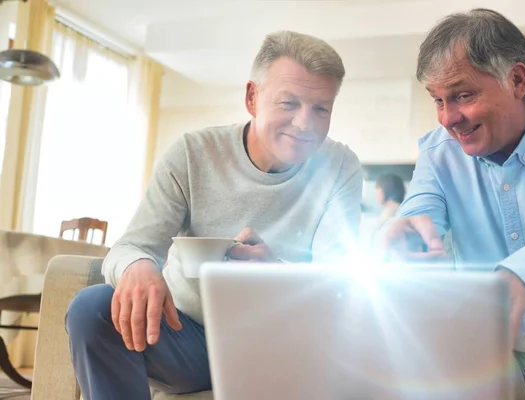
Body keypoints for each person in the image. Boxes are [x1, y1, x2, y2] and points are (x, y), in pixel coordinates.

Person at [65, 30, 363, 399]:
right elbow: (131, 245)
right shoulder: (194, 153)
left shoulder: (340, 167)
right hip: (187, 339)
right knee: (91, 308)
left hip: (280, 345)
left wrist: (278, 274)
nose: (305, 124)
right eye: (289, 103)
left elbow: (339, 283)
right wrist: (138, 266)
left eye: (321, 108)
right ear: (252, 97)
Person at [383, 8, 525, 400]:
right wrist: (408, 233)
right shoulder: (438, 153)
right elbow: (420, 208)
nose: (449, 118)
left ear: (518, 79)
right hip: (493, 361)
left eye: (463, 96)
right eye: (437, 100)